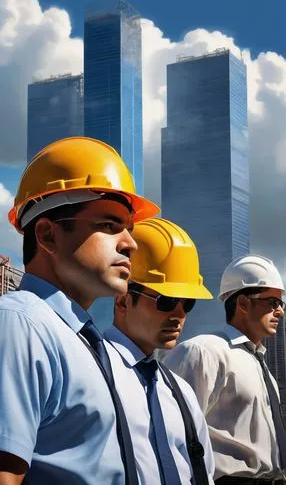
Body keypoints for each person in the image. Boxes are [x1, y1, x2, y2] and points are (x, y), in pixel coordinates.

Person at [0, 136, 159, 485]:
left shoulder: (78, 339)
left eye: (129, 229)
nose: (131, 244)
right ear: (48, 235)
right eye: (109, 225)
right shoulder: (20, 324)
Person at [103, 217, 215, 484]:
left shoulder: (181, 392)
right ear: (123, 300)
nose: (179, 315)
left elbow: (204, 474)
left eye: (187, 303)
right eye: (165, 301)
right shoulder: (88, 371)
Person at [164, 254, 286, 484]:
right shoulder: (203, 351)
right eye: (272, 302)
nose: (279, 311)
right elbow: (175, 434)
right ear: (242, 303)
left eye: (281, 303)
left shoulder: (261, 366)